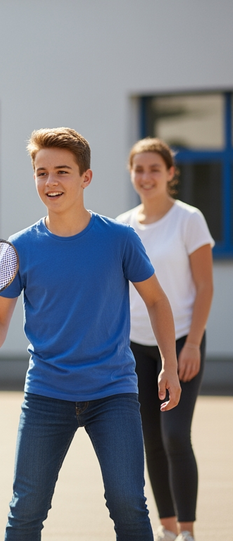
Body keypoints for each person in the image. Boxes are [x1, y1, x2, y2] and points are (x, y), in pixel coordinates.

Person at [0, 127, 182, 541]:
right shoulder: (20, 247)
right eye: (41, 173)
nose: (51, 182)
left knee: (128, 505)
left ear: (85, 178)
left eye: (62, 172)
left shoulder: (119, 239)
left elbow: (157, 301)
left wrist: (169, 365)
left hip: (113, 392)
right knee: (26, 509)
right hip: (46, 394)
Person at [116, 138, 214, 541]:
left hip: (181, 341)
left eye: (155, 168)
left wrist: (192, 344)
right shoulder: (122, 226)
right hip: (135, 347)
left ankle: (188, 529)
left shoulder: (189, 219)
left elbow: (205, 286)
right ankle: (168, 528)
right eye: (139, 169)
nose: (146, 176)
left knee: (175, 434)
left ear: (170, 173)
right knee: (151, 439)